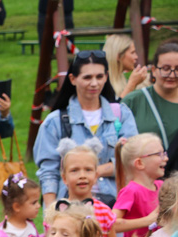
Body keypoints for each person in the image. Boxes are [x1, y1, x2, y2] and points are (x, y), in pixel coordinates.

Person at [33, 50, 138, 207]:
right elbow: (48, 171)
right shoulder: (55, 122)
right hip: (70, 209)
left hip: (115, 208)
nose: (94, 83)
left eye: (99, 77)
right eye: (87, 77)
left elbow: (133, 161)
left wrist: (95, 171)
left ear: (106, 77)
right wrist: (51, 212)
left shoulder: (121, 114)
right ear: (73, 79)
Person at [123, 43, 178, 152]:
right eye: (166, 68)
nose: (172, 75)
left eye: (177, 69)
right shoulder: (133, 101)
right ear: (153, 70)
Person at [104, 35, 149, 100]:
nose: (136, 57)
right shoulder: (103, 83)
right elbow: (117, 108)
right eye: (132, 52)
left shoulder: (120, 79)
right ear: (119, 56)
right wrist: (131, 85)